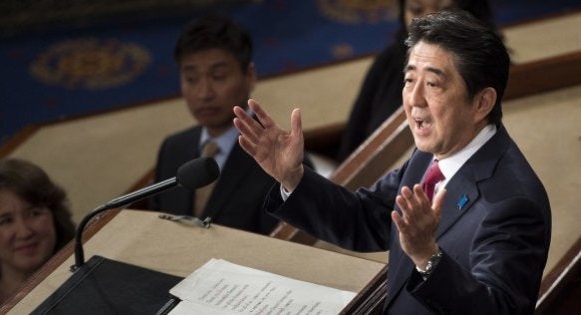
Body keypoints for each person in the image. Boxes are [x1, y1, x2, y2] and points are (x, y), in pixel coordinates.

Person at [233, 10, 550, 314]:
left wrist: (428, 257)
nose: (414, 100)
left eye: (434, 84)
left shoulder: (513, 204)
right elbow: (364, 219)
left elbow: (497, 309)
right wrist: (293, 177)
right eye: (410, 80)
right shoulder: (428, 155)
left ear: (482, 102)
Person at [150, 15, 313, 235]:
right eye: (191, 79)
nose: (204, 93)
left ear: (250, 76)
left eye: (218, 76)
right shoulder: (172, 149)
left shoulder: (284, 159)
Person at [337, 0, 498, 161]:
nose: (428, 20)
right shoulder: (387, 63)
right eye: (416, 10)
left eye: (445, 10)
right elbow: (352, 149)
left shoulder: (496, 71)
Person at [0, 158, 76, 314]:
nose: (24, 232)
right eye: (6, 221)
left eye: (34, 213)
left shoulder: (93, 277)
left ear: (55, 217)